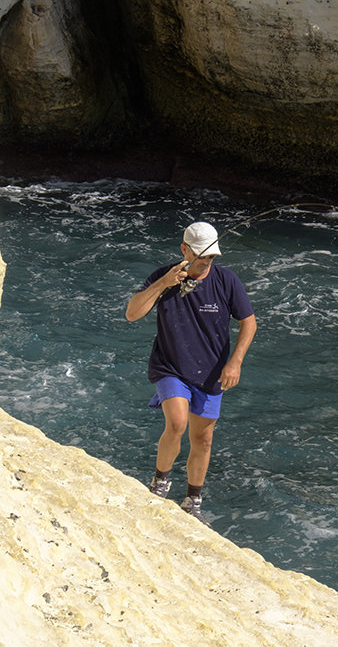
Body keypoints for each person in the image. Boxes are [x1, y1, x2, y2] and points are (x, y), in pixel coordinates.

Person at [126, 221, 257, 522]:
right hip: (170, 367)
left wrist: (235, 362)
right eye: (201, 256)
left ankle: (192, 500)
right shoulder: (164, 276)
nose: (206, 262)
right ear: (184, 249)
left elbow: (248, 322)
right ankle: (160, 483)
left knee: (204, 439)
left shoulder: (226, 281)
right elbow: (132, 314)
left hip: (211, 373)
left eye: (211, 257)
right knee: (177, 422)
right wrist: (163, 284)